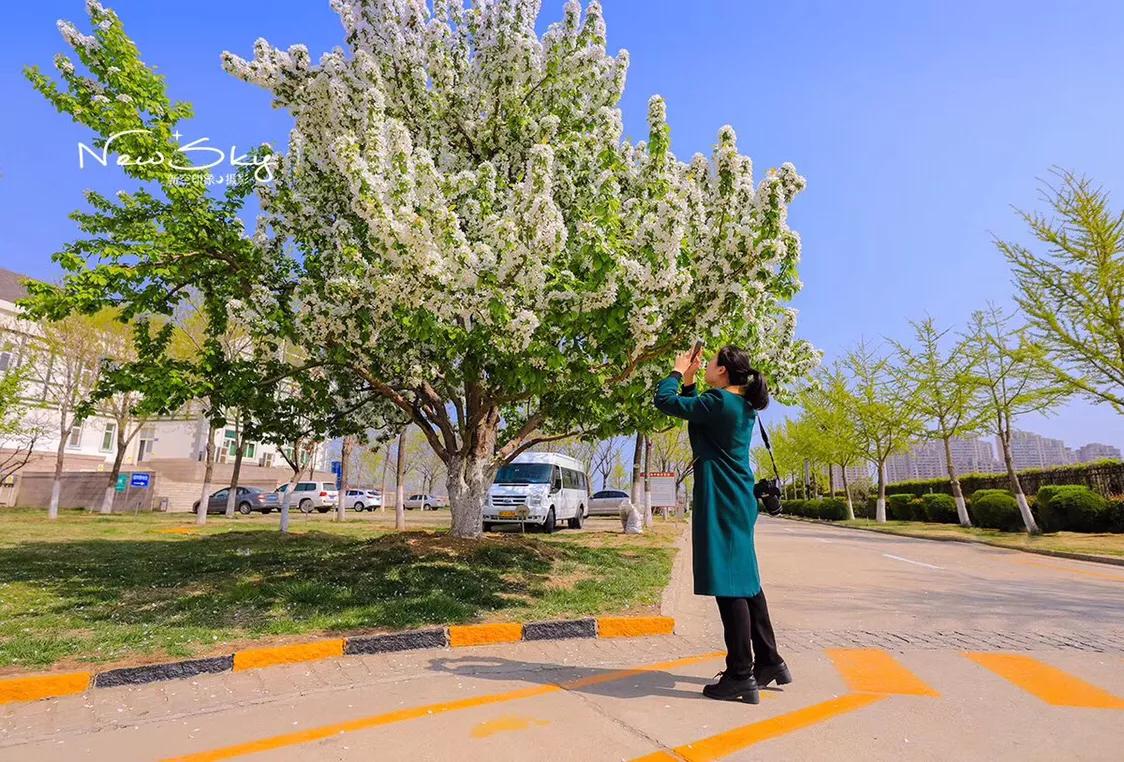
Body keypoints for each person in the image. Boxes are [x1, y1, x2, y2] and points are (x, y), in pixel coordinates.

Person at [653, 345, 791, 704]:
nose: (706, 365)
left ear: (724, 371)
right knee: (746, 582)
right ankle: (769, 661)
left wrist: (676, 372)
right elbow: (697, 417)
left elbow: (664, 402)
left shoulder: (718, 402)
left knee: (730, 586)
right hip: (739, 497)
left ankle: (740, 675)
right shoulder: (739, 405)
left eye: (711, 362)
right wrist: (690, 383)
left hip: (722, 498)